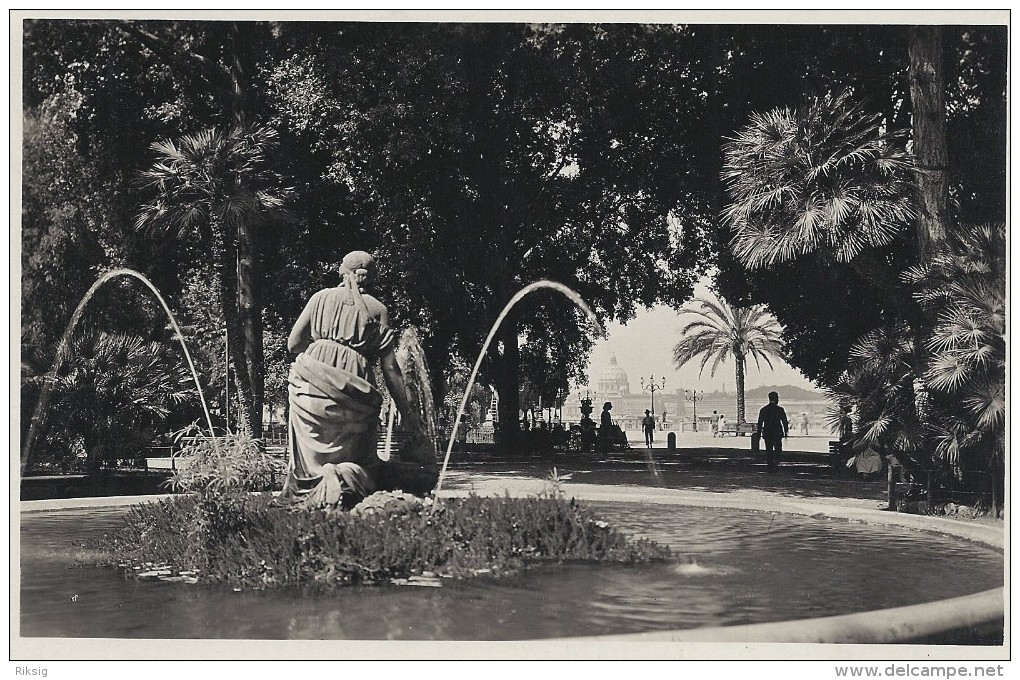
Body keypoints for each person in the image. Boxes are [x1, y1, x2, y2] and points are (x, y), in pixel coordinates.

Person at [279, 250, 425, 509]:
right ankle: (345, 482)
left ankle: (311, 489)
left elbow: (293, 344)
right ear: (371, 278)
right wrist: (407, 412)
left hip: (312, 380)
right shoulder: (378, 309)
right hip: (356, 386)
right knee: (360, 457)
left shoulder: (319, 298)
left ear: (342, 271)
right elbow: (391, 369)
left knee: (311, 455)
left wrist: (321, 351)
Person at [756, 391, 789, 473]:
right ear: (777, 399)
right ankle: (776, 463)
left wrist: (759, 434)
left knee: (769, 450)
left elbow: (760, 423)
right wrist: (786, 431)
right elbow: (784, 421)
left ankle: (770, 466)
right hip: (777, 432)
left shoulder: (763, 410)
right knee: (778, 449)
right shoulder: (780, 410)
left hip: (767, 432)